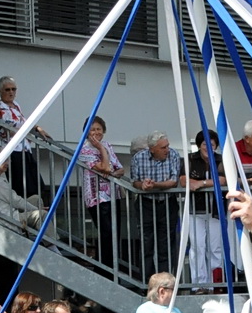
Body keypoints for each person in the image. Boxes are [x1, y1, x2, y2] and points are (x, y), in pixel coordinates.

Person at [130, 133, 185, 277]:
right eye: (163, 147)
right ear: (152, 149)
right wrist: (142, 185)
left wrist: (154, 185)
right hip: (146, 203)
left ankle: (165, 279)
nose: (167, 149)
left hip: (167, 202)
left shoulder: (174, 155)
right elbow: (134, 181)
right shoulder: (138, 157)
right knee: (146, 244)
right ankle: (147, 280)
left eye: (167, 146)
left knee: (166, 244)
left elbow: (173, 182)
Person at [79, 115, 124, 264]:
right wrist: (100, 149)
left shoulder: (107, 145)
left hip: (113, 195)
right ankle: (103, 269)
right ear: (86, 132)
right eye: (92, 130)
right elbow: (106, 167)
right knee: (106, 233)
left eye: (99, 129)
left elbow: (120, 169)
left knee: (115, 234)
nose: (96, 132)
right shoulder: (84, 149)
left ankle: (112, 268)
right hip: (96, 197)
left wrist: (111, 172)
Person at [185, 131, 225, 287]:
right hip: (195, 210)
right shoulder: (190, 159)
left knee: (215, 248)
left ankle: (216, 284)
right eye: (204, 144)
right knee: (197, 247)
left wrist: (200, 184)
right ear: (199, 145)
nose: (208, 147)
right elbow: (183, 180)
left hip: (216, 210)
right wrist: (197, 182)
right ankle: (199, 285)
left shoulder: (221, 160)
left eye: (212, 144)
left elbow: (222, 180)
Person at [0, 76, 44, 200]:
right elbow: (9, 129)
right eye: (7, 90)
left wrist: (36, 127)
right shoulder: (1, 109)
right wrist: (27, 128)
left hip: (25, 149)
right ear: (0, 91)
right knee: (21, 186)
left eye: (13, 89)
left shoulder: (16, 105)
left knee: (36, 184)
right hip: (13, 151)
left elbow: (23, 122)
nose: (11, 92)